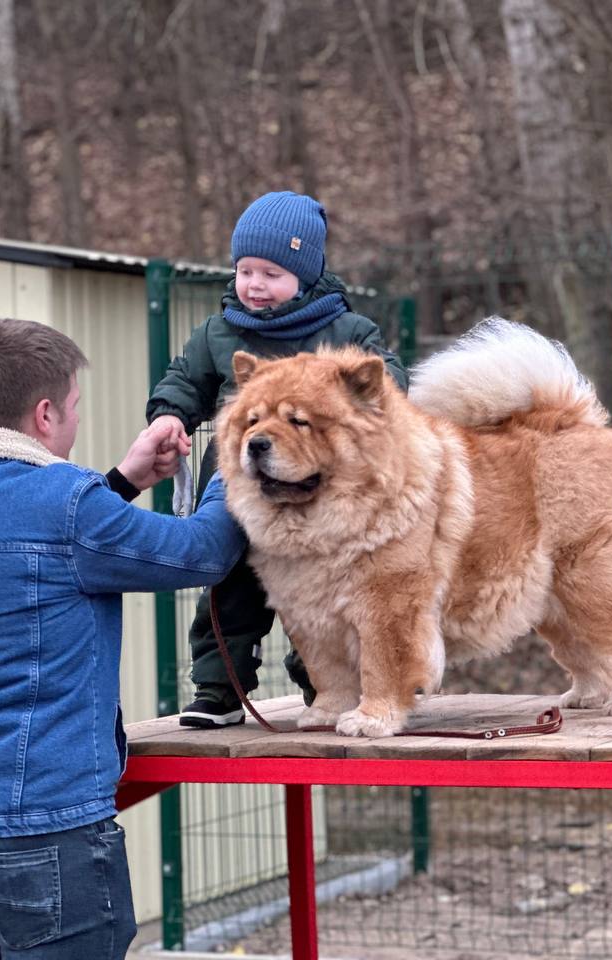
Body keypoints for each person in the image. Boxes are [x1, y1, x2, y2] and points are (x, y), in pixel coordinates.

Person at [0, 318, 245, 959]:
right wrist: (234, 458)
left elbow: (38, 546)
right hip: (44, 834)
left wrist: (126, 481)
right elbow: (201, 553)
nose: (75, 422)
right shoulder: (65, 503)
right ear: (45, 413)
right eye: (75, 407)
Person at [146, 190, 409, 728]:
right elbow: (183, 379)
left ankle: (323, 686)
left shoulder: (347, 332)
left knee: (317, 596)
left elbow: (387, 384)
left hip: (318, 498)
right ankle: (219, 690)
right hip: (241, 489)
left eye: (271, 272)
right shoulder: (220, 332)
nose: (254, 285)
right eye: (244, 270)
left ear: (306, 276)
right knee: (229, 588)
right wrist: (169, 415)